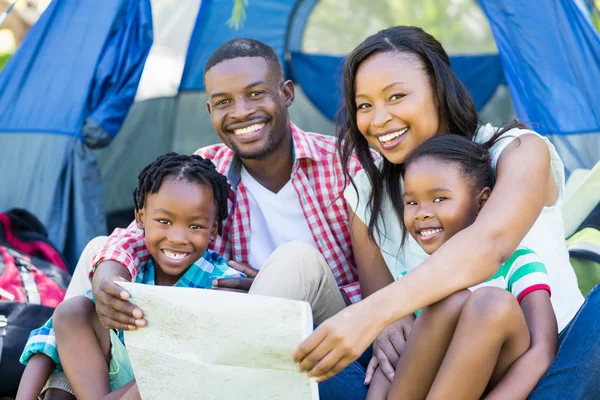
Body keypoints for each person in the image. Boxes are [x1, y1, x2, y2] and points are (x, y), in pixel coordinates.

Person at [43, 39, 372, 400]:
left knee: (295, 260)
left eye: (256, 93)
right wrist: (108, 272)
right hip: (228, 335)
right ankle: (65, 392)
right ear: (210, 110)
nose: (241, 112)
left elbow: (388, 284)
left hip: (327, 335)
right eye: (223, 102)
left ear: (287, 93)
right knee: (97, 254)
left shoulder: (347, 163)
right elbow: (140, 234)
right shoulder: (208, 169)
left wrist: (277, 292)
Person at [294, 26, 599, 400]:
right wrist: (385, 324)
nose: (379, 119)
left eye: (397, 96)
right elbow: (393, 327)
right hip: (440, 378)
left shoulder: (515, 150)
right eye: (365, 105)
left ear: (439, 91)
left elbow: (491, 244)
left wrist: (370, 314)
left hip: (552, 368)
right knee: (296, 362)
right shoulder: (367, 192)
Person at [16, 153, 245, 400]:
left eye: (195, 226)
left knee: (175, 359)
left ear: (213, 231)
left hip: (181, 384)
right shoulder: (134, 270)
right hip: (115, 380)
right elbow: (51, 335)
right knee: (72, 311)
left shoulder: (220, 283)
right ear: (140, 219)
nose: (178, 238)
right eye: (164, 221)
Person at [367, 135, 557, 399]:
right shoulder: (411, 283)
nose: (421, 213)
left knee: (491, 303)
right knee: (447, 301)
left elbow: (543, 351)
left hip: (505, 386)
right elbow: (388, 368)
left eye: (439, 199)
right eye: (411, 203)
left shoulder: (518, 263)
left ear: (482, 202)